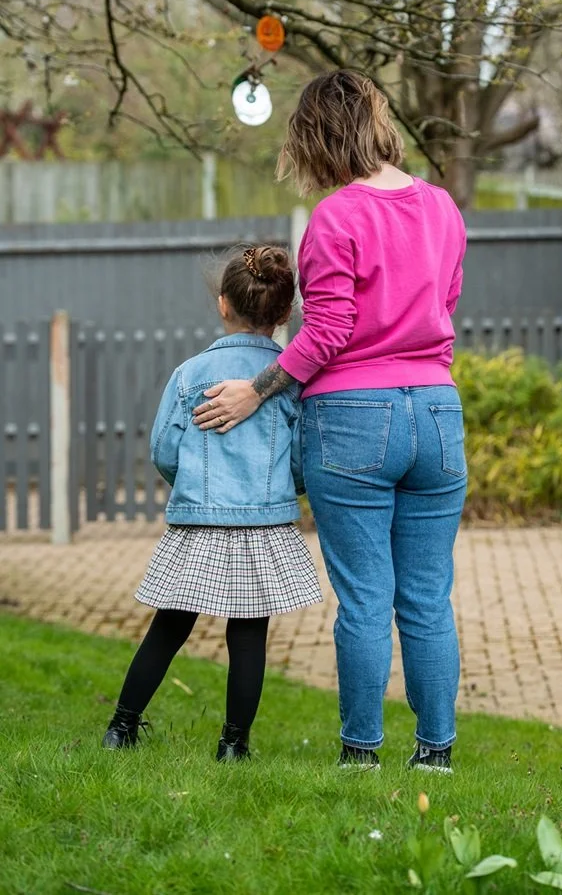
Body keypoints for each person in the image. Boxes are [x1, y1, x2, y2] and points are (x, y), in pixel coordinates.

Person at [193, 70, 467, 773]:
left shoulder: (337, 217)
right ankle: (435, 753)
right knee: (428, 597)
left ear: (317, 136)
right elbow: (447, 302)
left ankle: (360, 755)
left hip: (355, 420)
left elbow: (333, 328)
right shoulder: (442, 207)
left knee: (366, 598)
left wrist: (256, 389)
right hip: (437, 411)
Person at [102, 244, 322, 761]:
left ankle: (121, 728)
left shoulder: (189, 375)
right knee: (248, 637)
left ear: (223, 304)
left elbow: (164, 449)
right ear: (286, 311)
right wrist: (281, 491)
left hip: (197, 524)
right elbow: (301, 461)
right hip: (264, 527)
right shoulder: (290, 382)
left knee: (169, 626)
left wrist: (192, 488)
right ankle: (233, 745)